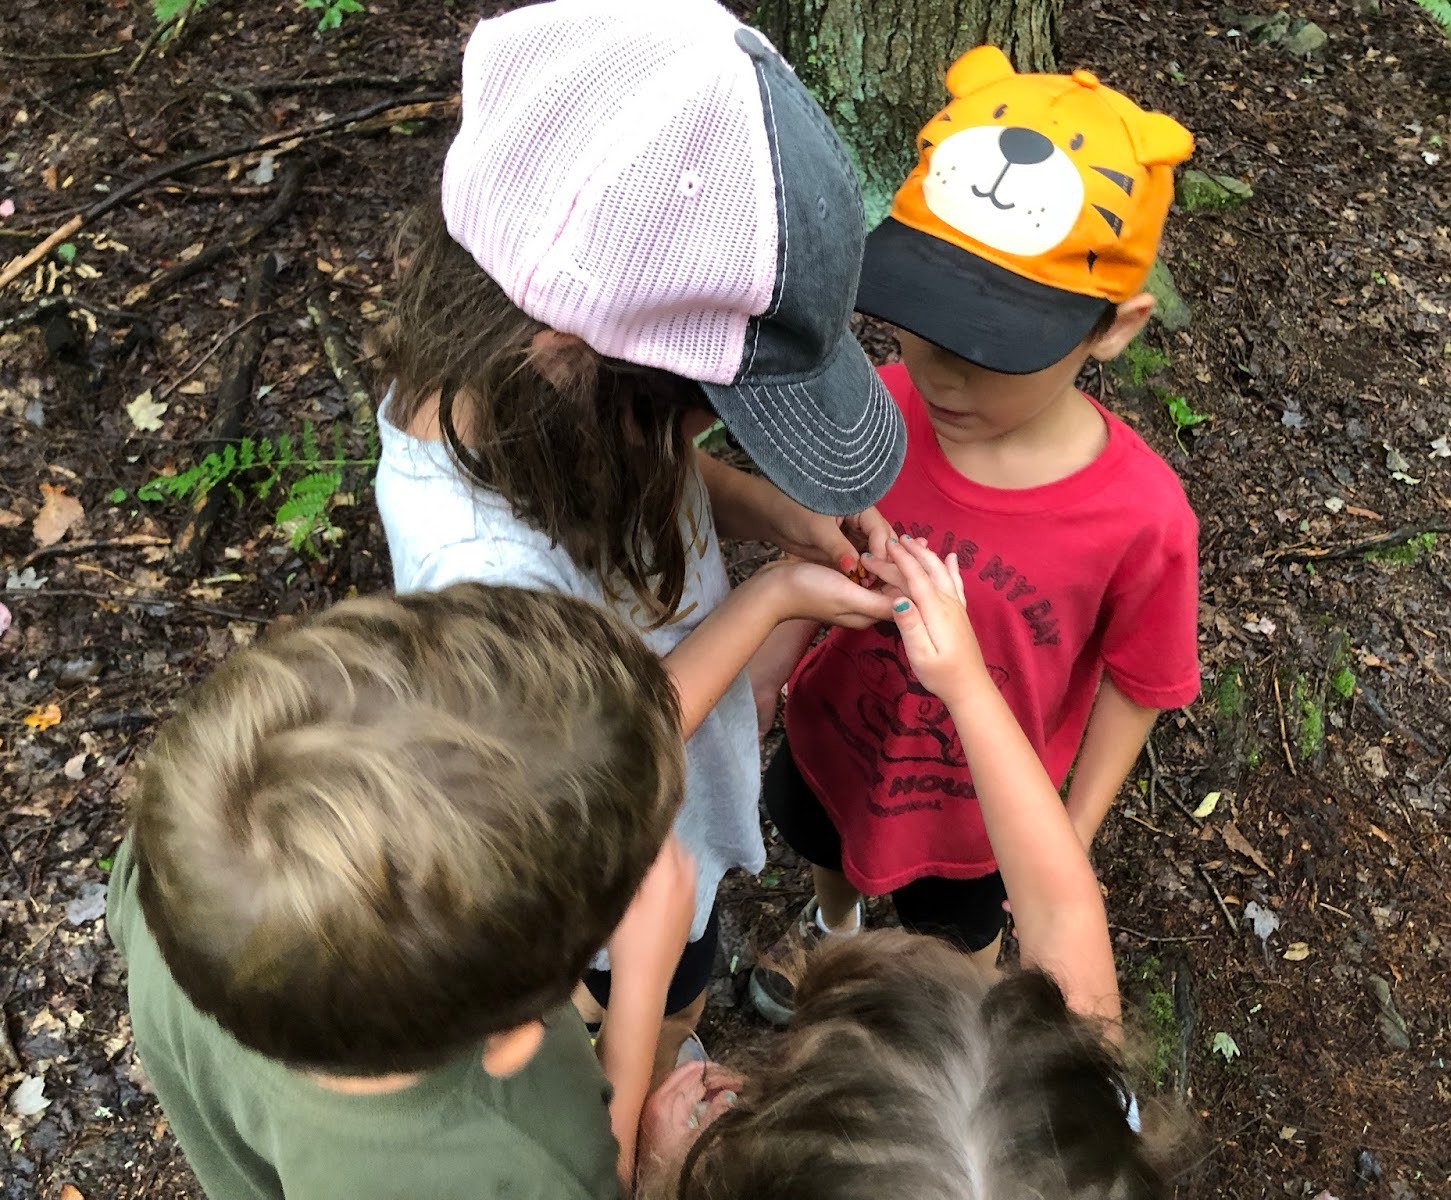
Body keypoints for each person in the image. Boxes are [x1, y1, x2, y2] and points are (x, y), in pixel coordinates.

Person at [370, 0, 906, 1154]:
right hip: (612, 881)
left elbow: (646, 470)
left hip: (673, 808)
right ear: (571, 352)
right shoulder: (479, 568)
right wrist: (770, 599)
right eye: (698, 406)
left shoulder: (532, 413)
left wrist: (775, 508)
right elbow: (592, 748)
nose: (694, 435)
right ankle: (646, 1118)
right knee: (656, 1000)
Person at [750, 48, 1200, 1024]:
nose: (943, 377)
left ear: (1113, 329)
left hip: (980, 815)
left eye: (992, 351)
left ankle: (936, 1011)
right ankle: (830, 934)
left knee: (956, 944)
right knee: (824, 844)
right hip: (839, 736)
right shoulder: (883, 404)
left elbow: (1142, 680)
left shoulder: (1140, 516)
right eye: (919, 321)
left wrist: (1064, 836)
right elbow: (815, 540)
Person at [108, 584, 697, 1200]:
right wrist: (639, 994)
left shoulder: (183, 871)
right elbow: (606, 1181)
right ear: (520, 1032)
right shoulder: (527, 1155)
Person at [639, 541, 1170, 1200]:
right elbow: (1064, 910)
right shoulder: (1086, 1129)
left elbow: (1064, 911)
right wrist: (966, 683)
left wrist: (667, 1168)